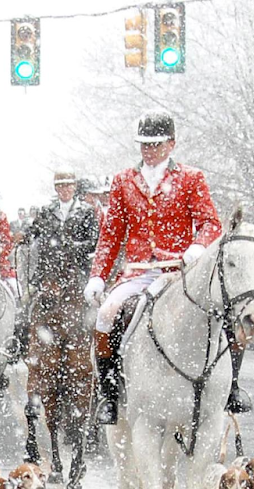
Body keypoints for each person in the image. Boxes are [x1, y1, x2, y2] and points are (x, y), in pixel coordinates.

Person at [86, 111, 238, 425]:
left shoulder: (191, 178)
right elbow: (111, 235)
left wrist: (196, 247)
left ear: (171, 144)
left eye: (155, 144)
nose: (149, 150)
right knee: (106, 314)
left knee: (225, 309)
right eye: (144, 144)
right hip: (139, 271)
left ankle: (231, 385)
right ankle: (110, 393)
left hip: (178, 271)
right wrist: (98, 275)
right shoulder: (123, 181)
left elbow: (210, 222)